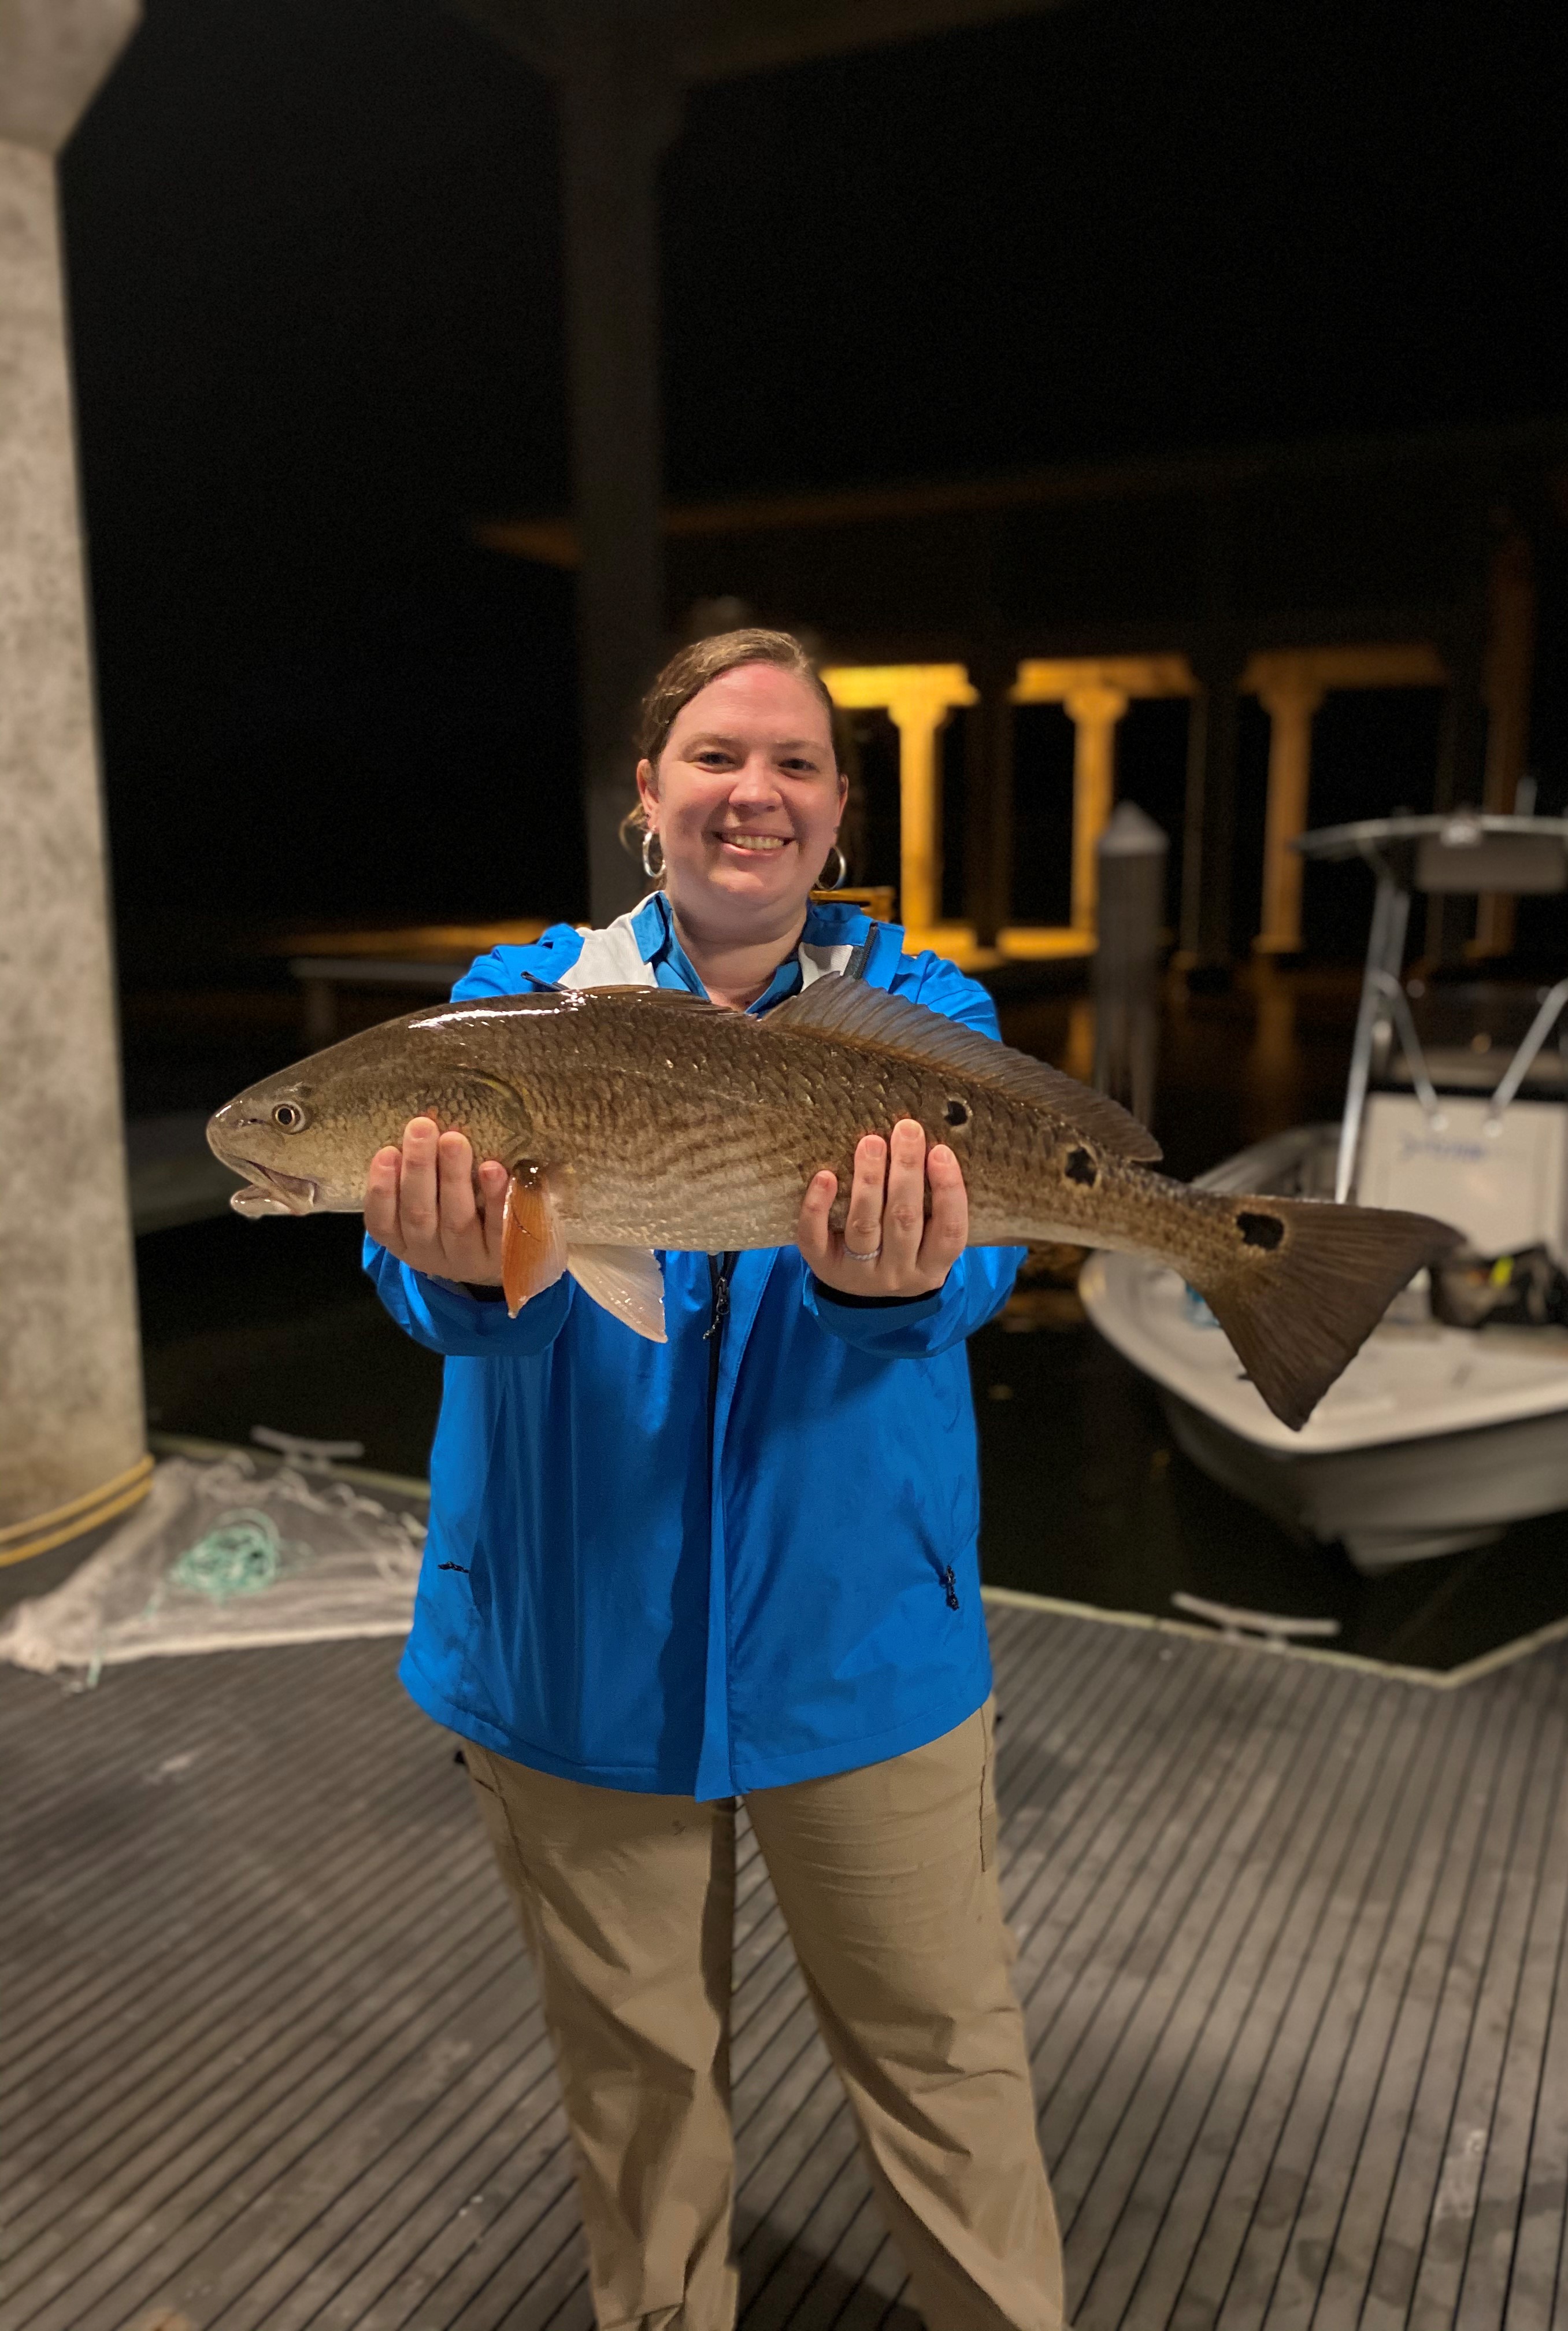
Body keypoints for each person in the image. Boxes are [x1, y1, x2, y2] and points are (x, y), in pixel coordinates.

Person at [361, 628, 1065, 2331]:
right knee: (639, 2094)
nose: (755, 791)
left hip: (860, 1648)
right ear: (646, 800)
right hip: (571, 1646)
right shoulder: (510, 1009)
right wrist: (458, 1263)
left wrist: (909, 1279)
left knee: (945, 2072)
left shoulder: (926, 1017)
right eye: (714, 758)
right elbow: (426, 1298)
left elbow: (969, 1279)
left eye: (797, 765)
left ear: (837, 816)